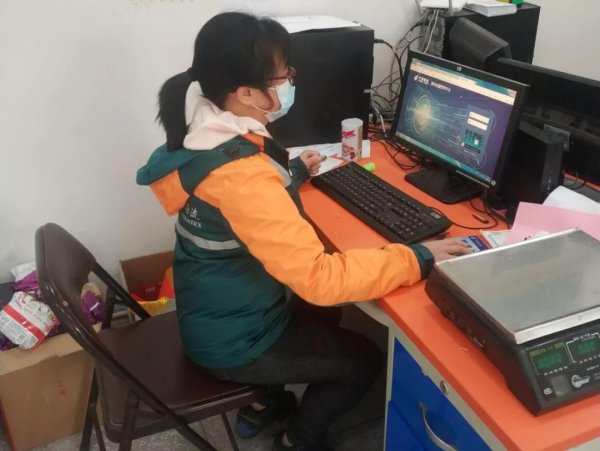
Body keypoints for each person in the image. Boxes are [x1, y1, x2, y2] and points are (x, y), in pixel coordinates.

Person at [137, 12, 470, 451]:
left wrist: (290, 173)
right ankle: (298, 439)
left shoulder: (206, 133)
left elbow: (237, 201)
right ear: (246, 93)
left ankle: (264, 404)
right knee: (363, 359)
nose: (290, 81)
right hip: (236, 342)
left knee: (326, 314)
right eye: (283, 76)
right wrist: (418, 257)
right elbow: (319, 279)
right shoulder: (243, 177)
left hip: (221, 310)